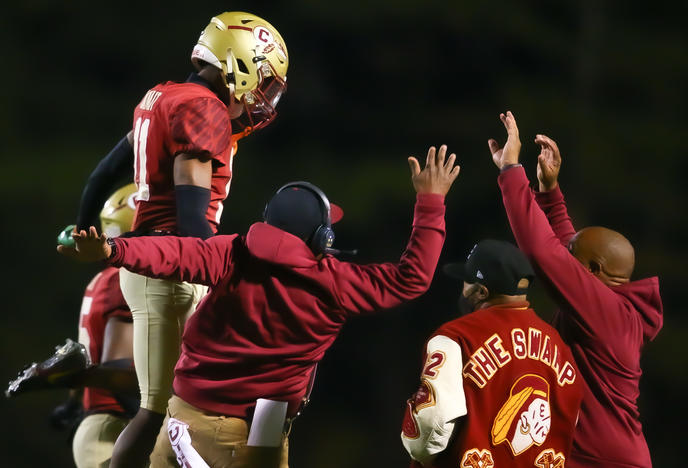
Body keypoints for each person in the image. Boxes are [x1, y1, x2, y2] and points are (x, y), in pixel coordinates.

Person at [59, 145, 460, 467]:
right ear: (319, 237)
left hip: (185, 416)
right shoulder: (334, 281)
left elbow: (172, 253)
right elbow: (412, 278)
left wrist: (113, 248)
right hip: (252, 434)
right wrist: (430, 202)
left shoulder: (233, 253)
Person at [68, 12, 289, 466]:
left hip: (151, 261)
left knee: (174, 409)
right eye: (264, 82)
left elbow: (101, 175)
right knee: (162, 412)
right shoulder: (203, 108)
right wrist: (216, 269)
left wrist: (81, 225)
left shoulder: (163, 95)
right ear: (241, 64)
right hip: (174, 266)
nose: (263, 97)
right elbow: (191, 209)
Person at [489, 111, 664, 467]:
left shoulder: (607, 313)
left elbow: (544, 251)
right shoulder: (610, 303)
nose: (567, 262)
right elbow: (570, 247)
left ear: (595, 272)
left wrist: (511, 170)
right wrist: (550, 193)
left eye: (574, 261)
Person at [401, 240, 583, 467]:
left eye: (466, 283)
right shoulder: (559, 345)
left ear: (481, 291)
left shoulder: (455, 336)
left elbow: (430, 424)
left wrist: (420, 453)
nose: (463, 290)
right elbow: (570, 424)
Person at [7, 185, 139, 468]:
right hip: (116, 427)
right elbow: (119, 368)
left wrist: (71, 401)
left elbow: (86, 357)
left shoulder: (107, 278)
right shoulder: (126, 280)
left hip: (104, 424)